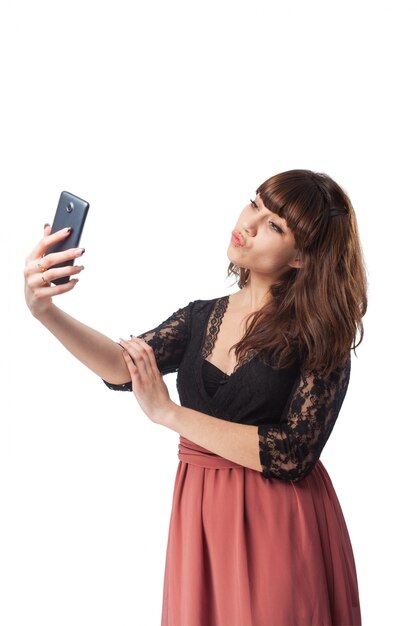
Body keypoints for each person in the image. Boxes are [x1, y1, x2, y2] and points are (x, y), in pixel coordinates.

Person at [24, 169, 366, 626]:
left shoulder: (320, 334)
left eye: (274, 225)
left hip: (279, 524)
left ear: (303, 257)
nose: (248, 223)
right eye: (255, 205)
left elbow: (291, 453)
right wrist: (45, 311)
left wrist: (169, 414)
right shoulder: (200, 317)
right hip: (199, 517)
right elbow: (125, 368)